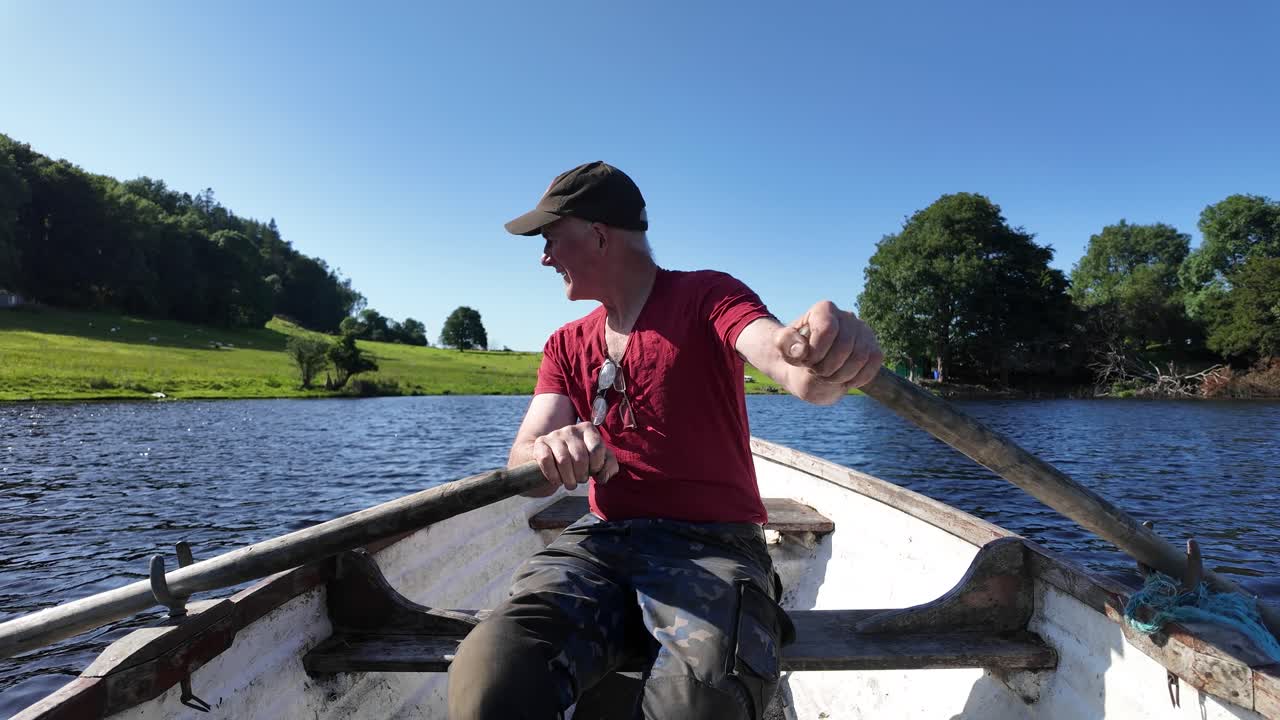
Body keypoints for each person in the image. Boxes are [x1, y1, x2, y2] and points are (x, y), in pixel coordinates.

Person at [448, 161, 883, 720]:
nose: (544, 256)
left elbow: (791, 364)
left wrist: (825, 349)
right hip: (599, 546)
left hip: (714, 547)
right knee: (493, 672)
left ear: (599, 235)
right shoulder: (564, 344)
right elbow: (523, 460)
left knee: (697, 703)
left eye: (552, 238)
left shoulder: (706, 296)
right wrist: (549, 451)